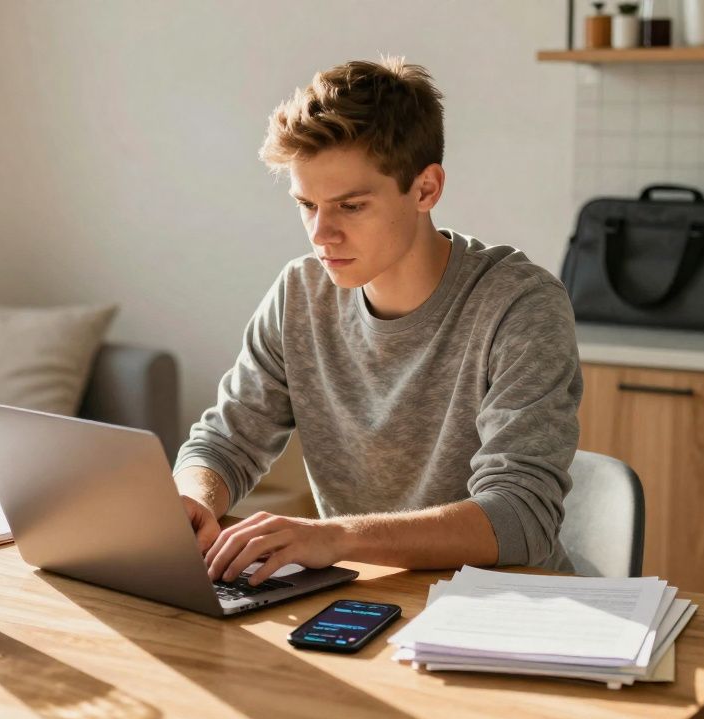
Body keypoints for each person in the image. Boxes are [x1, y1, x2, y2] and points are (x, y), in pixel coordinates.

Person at [173, 56, 582, 587]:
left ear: (425, 189)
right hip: (362, 597)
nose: (321, 234)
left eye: (350, 206)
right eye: (307, 205)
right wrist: (191, 499)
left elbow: (520, 518)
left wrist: (334, 537)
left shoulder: (519, 305)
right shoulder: (300, 293)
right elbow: (226, 441)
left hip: (505, 609)